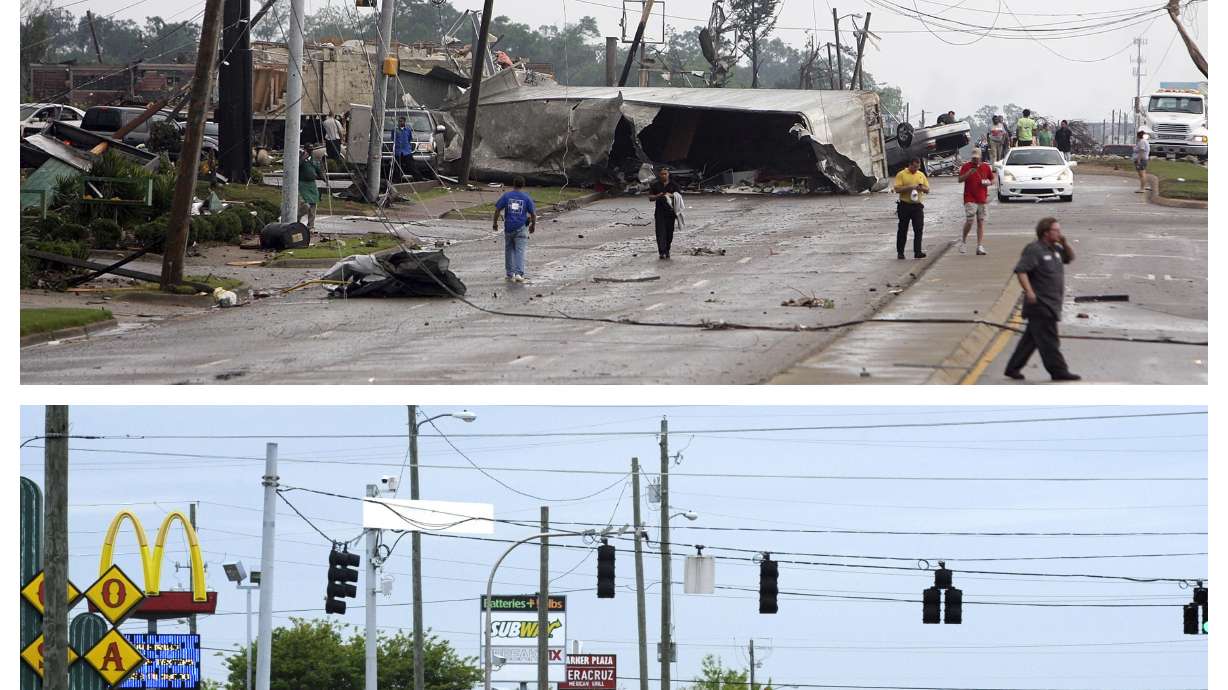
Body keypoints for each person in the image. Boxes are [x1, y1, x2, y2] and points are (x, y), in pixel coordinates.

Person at [1004, 217, 1080, 382]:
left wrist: (1064, 242)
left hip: (1052, 303)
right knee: (1049, 340)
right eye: (1056, 230)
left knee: (1030, 339)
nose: (1059, 233)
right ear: (1046, 232)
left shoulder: (1056, 249)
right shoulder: (1034, 250)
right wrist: (1029, 292)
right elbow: (1021, 271)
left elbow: (1070, 257)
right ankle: (1058, 371)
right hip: (1040, 303)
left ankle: (1013, 368)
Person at [493, 176, 537, 283]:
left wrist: (495, 223)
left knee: (509, 250)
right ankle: (518, 273)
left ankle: (509, 273)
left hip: (509, 227)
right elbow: (533, 214)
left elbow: (497, 210)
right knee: (520, 251)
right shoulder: (526, 198)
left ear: (513, 184)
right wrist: (533, 225)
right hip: (521, 227)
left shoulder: (507, 196)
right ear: (523, 185)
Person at [957, 148, 994, 256]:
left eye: (977, 158)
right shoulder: (966, 166)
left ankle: (979, 246)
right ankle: (963, 241)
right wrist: (968, 173)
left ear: (980, 157)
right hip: (969, 197)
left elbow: (992, 179)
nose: (975, 160)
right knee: (970, 220)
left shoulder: (986, 167)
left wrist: (988, 183)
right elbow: (960, 179)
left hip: (982, 198)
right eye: (973, 158)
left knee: (980, 221)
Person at [892, 157, 929, 260]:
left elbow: (927, 189)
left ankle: (918, 251)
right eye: (914, 167)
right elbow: (897, 188)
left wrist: (921, 188)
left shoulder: (921, 175)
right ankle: (900, 252)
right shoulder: (901, 174)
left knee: (918, 229)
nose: (916, 169)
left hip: (917, 206)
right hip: (905, 205)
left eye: (918, 167)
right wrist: (910, 187)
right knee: (903, 229)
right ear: (910, 165)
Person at [647, 167, 681, 259]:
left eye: (665, 174)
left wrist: (671, 195)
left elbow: (679, 196)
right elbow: (650, 197)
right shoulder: (655, 185)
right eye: (662, 174)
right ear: (659, 175)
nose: (663, 175)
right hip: (659, 212)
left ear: (668, 174)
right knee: (660, 232)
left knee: (669, 232)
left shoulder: (674, 185)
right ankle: (661, 252)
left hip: (670, 212)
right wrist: (657, 196)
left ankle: (667, 250)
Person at [297, 146, 322, 230]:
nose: (309, 152)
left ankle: (311, 225)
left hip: (312, 185)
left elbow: (319, 170)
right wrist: (302, 158)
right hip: (302, 184)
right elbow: (296, 166)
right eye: (308, 150)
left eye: (311, 150)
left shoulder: (314, 160)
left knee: (313, 205)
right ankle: (297, 220)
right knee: (304, 206)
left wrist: (325, 180)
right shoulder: (300, 158)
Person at [393, 115, 415, 181]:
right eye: (399, 121)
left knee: (411, 166)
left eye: (401, 121)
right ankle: (397, 180)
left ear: (404, 122)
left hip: (407, 151)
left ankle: (418, 178)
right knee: (397, 167)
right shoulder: (395, 130)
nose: (400, 123)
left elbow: (410, 139)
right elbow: (393, 138)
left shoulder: (408, 130)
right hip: (398, 152)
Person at [1133, 129, 1150, 193]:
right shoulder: (1144, 141)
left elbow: (1141, 151)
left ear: (1138, 136)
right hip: (1143, 159)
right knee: (1143, 174)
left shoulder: (1142, 142)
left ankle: (1142, 188)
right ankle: (1144, 187)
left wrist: (1138, 160)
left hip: (1141, 160)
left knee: (1142, 174)